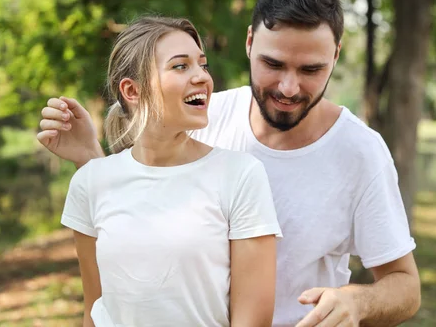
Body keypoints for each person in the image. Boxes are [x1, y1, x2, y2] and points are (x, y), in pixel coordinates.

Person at [38, 0, 421, 327]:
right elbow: (136, 218)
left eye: (310, 70)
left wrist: (357, 302)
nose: (288, 87)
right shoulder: (203, 115)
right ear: (250, 42)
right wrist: (92, 161)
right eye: (273, 64)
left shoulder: (360, 152)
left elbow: (406, 287)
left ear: (335, 56)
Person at [55, 16, 282, 327]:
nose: (202, 77)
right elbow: (95, 311)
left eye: (203, 65)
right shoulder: (90, 182)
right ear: (132, 91)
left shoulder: (240, 175)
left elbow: (252, 322)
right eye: (180, 66)